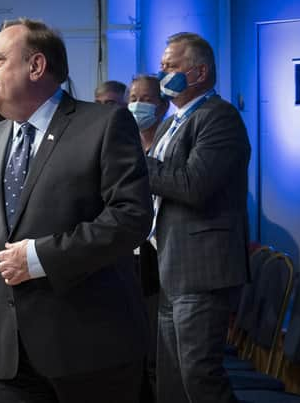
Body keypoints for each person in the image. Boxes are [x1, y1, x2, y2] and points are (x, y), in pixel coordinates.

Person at [0, 18, 152, 403]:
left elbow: (131, 217)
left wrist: (40, 257)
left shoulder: (105, 124)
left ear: (36, 66)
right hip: (5, 357)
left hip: (91, 350)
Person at [146, 32, 250, 403]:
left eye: (171, 67)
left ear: (199, 72)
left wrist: (137, 164)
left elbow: (193, 184)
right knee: (172, 379)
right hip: (171, 264)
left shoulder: (218, 117)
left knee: (200, 376)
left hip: (203, 269)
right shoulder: (171, 121)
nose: (163, 74)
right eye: (162, 67)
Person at [127, 74, 169, 403]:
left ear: (163, 104)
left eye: (146, 98)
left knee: (158, 354)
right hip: (130, 260)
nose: (138, 104)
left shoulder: (169, 140)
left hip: (163, 256)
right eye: (133, 97)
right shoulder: (125, 144)